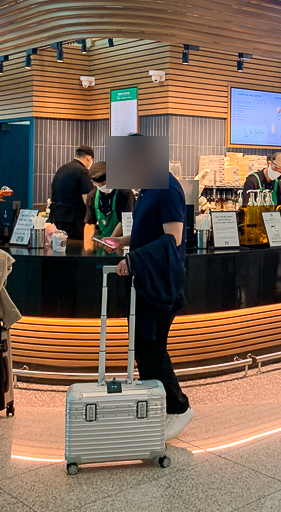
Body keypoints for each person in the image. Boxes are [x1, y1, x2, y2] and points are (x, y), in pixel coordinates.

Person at [101, 144, 194, 441]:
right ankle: (161, 409)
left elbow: (172, 239)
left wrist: (133, 259)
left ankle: (179, 409)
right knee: (144, 349)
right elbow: (150, 232)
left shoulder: (166, 188)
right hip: (148, 279)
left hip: (160, 282)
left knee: (151, 349)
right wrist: (123, 242)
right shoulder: (149, 189)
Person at [49, 146, 94, 241]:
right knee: (74, 249)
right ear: (89, 158)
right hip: (73, 220)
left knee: (60, 246)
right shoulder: (83, 172)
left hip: (57, 217)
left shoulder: (62, 169)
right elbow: (88, 199)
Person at [84, 161, 134, 242]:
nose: (104, 188)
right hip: (104, 239)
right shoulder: (92, 196)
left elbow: (124, 221)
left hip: (123, 240)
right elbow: (90, 223)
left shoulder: (124, 193)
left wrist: (111, 242)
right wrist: (87, 246)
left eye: (105, 184)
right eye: (100, 186)